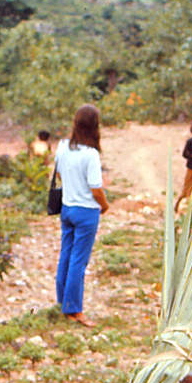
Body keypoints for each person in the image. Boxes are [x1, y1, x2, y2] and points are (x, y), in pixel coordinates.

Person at [54, 104, 109, 328]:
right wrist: (104, 206)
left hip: (67, 207)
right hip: (86, 211)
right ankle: (74, 309)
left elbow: (58, 172)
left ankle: (63, 302)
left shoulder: (63, 146)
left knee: (66, 255)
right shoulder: (91, 154)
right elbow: (96, 188)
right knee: (79, 260)